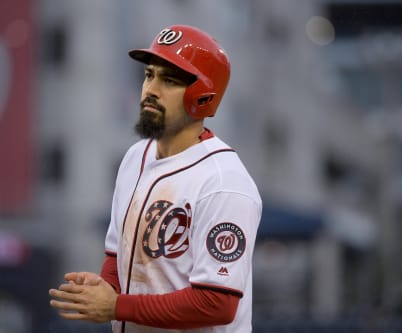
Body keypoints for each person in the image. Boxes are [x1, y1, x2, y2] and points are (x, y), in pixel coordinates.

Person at [49, 24, 262, 333]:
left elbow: (216, 303)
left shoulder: (224, 181)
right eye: (149, 75)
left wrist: (116, 306)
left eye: (169, 80)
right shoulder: (136, 157)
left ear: (202, 96)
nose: (150, 89)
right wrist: (108, 286)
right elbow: (115, 253)